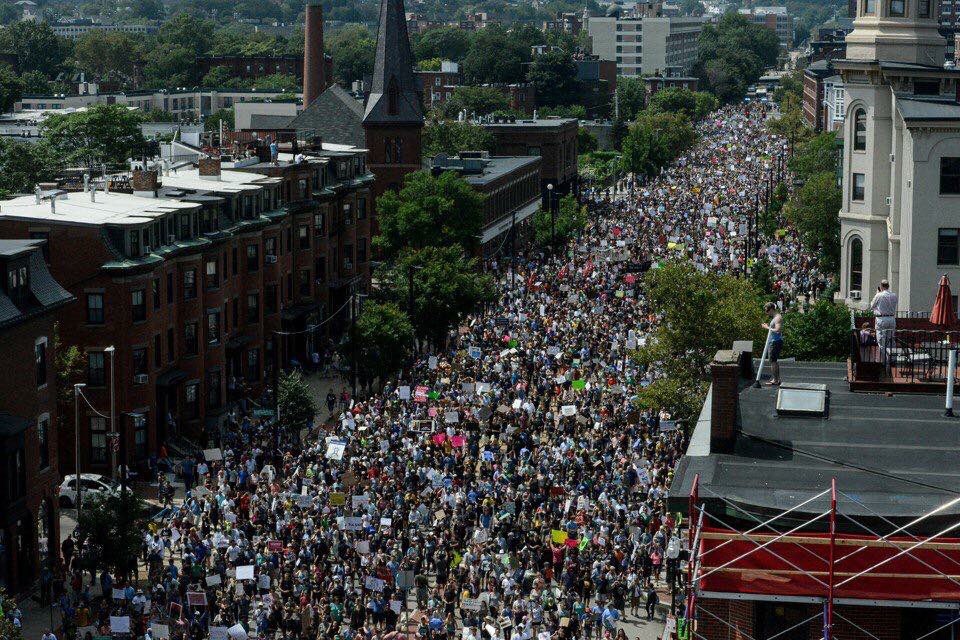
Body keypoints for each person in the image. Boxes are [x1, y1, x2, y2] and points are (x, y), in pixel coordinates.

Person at [871, 279, 898, 353]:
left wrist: (877, 293)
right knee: (891, 339)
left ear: (881, 286)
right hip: (892, 319)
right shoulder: (894, 295)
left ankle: (884, 361)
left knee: (881, 341)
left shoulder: (879, 295)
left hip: (882, 319)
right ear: (888, 286)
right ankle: (892, 359)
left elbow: (872, 305)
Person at [762, 302, 784, 386]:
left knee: (773, 361)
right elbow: (774, 328)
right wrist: (768, 326)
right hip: (773, 341)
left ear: (771, 309)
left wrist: (767, 327)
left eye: (767, 311)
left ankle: (776, 380)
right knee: (773, 361)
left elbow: (778, 330)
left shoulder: (777, 318)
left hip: (775, 342)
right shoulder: (775, 317)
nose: (766, 313)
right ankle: (776, 379)